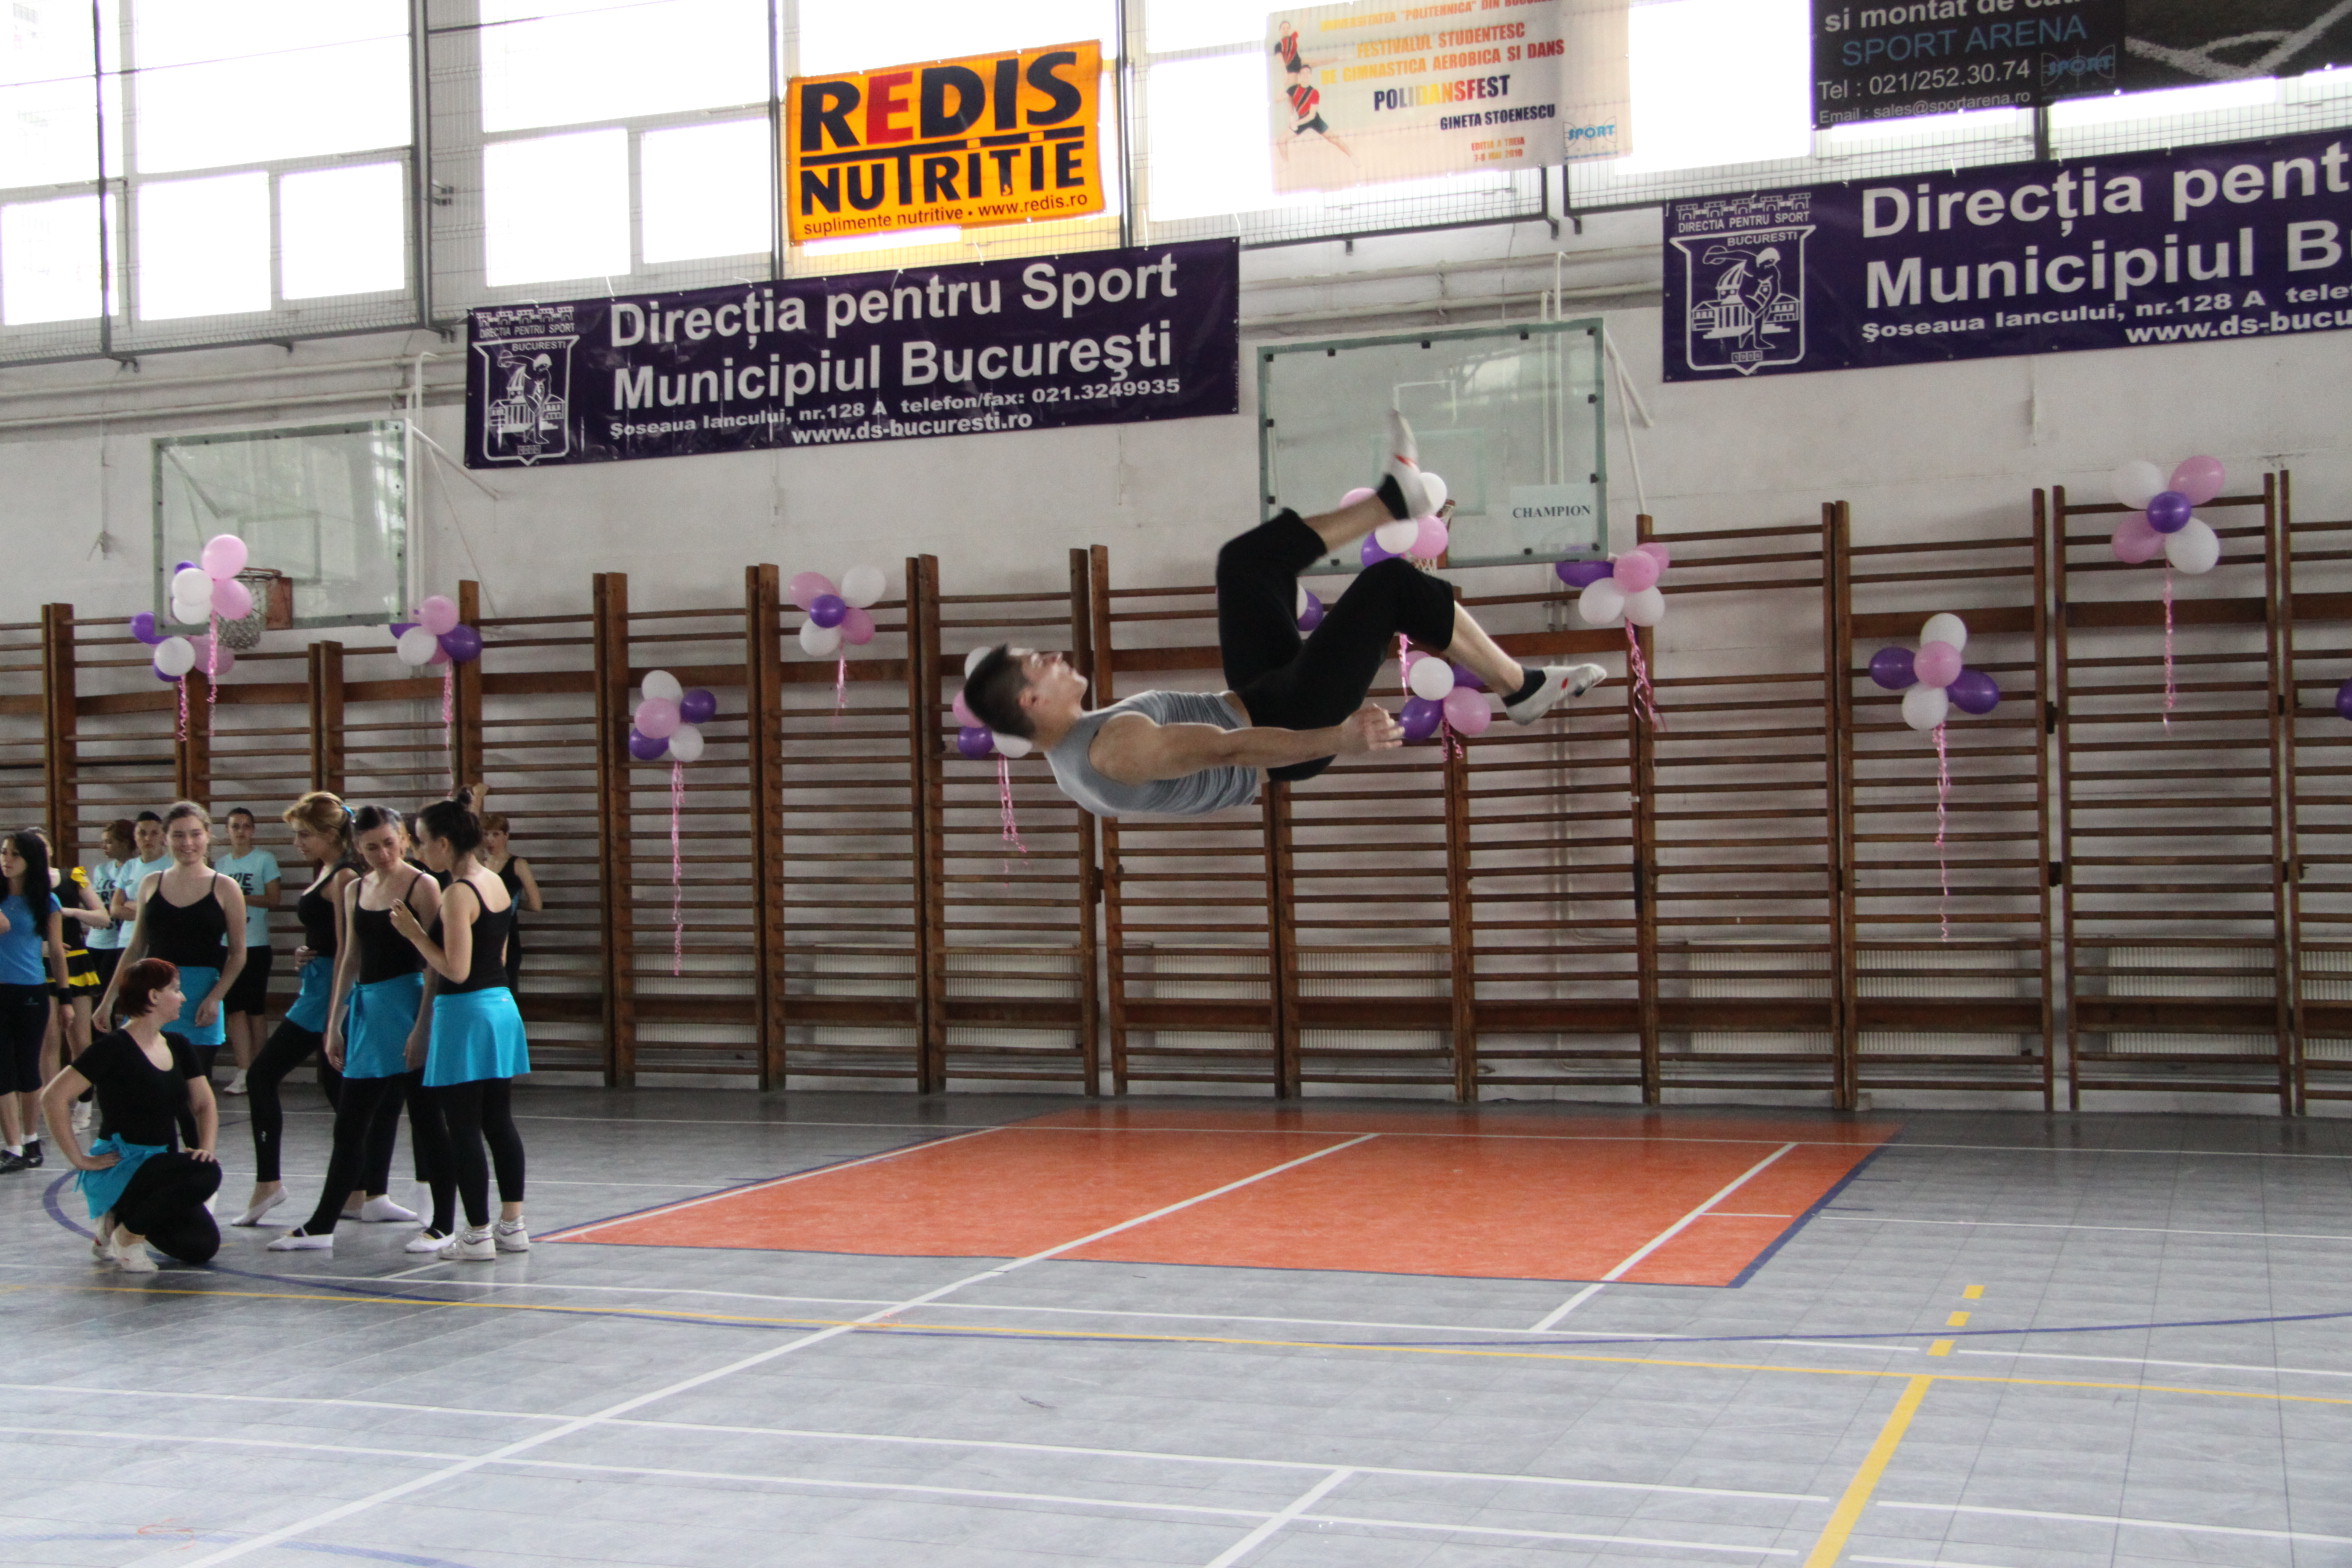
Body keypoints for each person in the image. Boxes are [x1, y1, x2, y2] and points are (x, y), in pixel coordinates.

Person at [963, 414, 1608, 820]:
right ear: (1030, 700)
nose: (1054, 657)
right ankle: (1521, 687)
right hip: (1288, 728)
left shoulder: (1077, 748)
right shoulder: (1112, 748)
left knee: (1244, 564)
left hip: (1255, 698)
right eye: (1038, 663)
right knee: (1389, 585)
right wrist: (1338, 739)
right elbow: (1233, 749)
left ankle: (1393, 500)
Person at [270, 805, 453, 1254]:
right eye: (371, 847)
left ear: (403, 839)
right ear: (358, 847)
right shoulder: (355, 888)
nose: (383, 854)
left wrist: (423, 1027)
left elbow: (435, 963)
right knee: (350, 1124)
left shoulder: (422, 884)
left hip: (408, 1005)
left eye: (389, 843)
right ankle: (322, 1224)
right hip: (368, 1011)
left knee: (427, 1119)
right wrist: (334, 1023)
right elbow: (350, 956)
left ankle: (445, 1223)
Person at [390, 797, 528, 1262]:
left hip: (465, 1013)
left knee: (463, 1126)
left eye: (422, 842)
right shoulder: (494, 881)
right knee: (498, 1120)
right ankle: (513, 1225)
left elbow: (456, 968)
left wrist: (414, 934)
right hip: (500, 1006)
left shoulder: (457, 893)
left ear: (445, 843)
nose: (418, 851)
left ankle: (477, 1232)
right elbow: (499, 955)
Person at [40, 958, 222, 1271]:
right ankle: (128, 1235)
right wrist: (79, 1159)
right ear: (153, 996)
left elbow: (204, 1104)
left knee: (200, 1246)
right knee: (207, 1173)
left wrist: (205, 1148)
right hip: (122, 1166)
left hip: (159, 1169)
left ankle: (116, 1222)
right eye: (176, 990)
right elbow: (53, 1098)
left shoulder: (178, 1045)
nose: (182, 997)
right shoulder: (113, 1047)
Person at [234, 792, 361, 1227]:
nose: (297, 843)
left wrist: (336, 1015)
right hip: (317, 985)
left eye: (304, 835)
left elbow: (349, 947)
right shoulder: (326, 869)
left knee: (262, 1075)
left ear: (329, 834)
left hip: (327, 996)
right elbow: (328, 937)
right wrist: (308, 950)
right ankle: (359, 1189)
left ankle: (269, 1182)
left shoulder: (344, 875)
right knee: (337, 1089)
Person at [98, 803, 246, 1089]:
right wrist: (108, 1000)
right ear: (166, 838)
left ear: (207, 835)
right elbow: (135, 947)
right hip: (151, 992)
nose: (187, 843)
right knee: (146, 1086)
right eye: (178, 835)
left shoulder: (225, 887)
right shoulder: (150, 883)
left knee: (193, 1088)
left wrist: (215, 997)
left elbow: (238, 953)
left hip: (199, 995)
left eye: (195, 834)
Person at [0, 831, 69, 1173]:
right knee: (2, 1069)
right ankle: (11, 1145)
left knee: (28, 1068)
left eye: (14, 854)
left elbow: (56, 951)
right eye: (3, 852)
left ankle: (31, 1139)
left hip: (30, 990)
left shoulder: (45, 900)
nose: (7, 859)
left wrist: (65, 997)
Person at [30, 827, 108, 1116]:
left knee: (80, 1038)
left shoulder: (71, 876)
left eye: (42, 846)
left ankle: (85, 1100)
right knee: (49, 1039)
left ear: (50, 849)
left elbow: (102, 917)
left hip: (76, 962)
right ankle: (54, 1103)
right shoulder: (21, 886)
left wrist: (70, 912)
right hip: (41, 964)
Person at [211, 807, 282, 1097]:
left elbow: (273, 899)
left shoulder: (264, 859)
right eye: (235, 826)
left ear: (253, 830)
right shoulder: (220, 864)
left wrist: (239, 897)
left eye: (245, 826)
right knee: (234, 1010)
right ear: (227, 831)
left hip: (256, 945)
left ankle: (261, 1071)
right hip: (227, 946)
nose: (240, 831)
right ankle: (243, 1069)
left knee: (255, 1010)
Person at [479, 812, 542, 995]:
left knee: (506, 989)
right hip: (481, 933)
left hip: (506, 932)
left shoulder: (518, 864)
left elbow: (536, 904)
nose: (490, 839)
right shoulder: (478, 864)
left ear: (506, 835)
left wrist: (514, 903)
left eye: (496, 834)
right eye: (485, 834)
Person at [84, 819, 139, 996]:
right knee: (91, 993)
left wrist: (126, 906)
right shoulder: (101, 869)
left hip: (118, 940)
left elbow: (134, 904)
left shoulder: (135, 868)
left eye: (109, 842)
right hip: (96, 938)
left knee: (110, 993)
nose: (104, 846)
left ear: (124, 843)